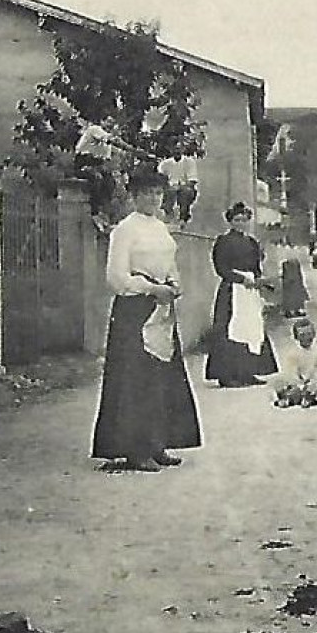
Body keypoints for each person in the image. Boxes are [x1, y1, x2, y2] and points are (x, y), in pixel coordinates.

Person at [91, 169, 202, 472]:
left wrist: (174, 284)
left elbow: (170, 264)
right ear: (134, 195)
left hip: (162, 307)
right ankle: (134, 449)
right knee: (135, 381)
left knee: (162, 378)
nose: (153, 198)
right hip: (134, 310)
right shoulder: (124, 230)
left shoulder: (161, 228)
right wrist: (152, 288)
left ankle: (157, 443)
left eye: (157, 193)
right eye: (146, 193)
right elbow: (115, 278)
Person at [206, 202, 279, 388]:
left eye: (244, 220)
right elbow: (220, 268)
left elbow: (256, 268)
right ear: (230, 221)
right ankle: (227, 375)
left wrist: (260, 282)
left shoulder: (252, 242)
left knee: (251, 328)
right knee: (230, 329)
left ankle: (247, 372)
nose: (240, 223)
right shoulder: (223, 241)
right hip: (232, 290)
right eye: (236, 220)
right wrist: (239, 279)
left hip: (249, 290)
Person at [274, 318, 317, 408]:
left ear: (314, 334)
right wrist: (299, 384)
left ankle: (308, 398)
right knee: (288, 388)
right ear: (296, 337)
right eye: (302, 335)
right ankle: (291, 399)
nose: (307, 338)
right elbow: (291, 372)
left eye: (309, 334)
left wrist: (313, 382)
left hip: (315, 383)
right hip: (300, 384)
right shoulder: (293, 353)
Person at [157, 152, 200, 226]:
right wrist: (169, 186)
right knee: (169, 191)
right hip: (170, 187)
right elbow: (161, 179)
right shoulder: (165, 163)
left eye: (179, 149)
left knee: (187, 192)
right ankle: (168, 214)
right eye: (175, 149)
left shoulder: (189, 162)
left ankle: (183, 217)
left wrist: (181, 187)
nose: (177, 152)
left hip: (184, 187)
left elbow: (192, 180)